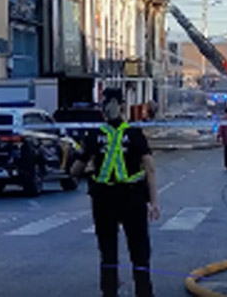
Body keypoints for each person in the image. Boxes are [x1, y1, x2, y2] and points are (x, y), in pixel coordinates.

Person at [71, 89, 159, 297]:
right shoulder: (135, 134)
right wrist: (154, 202)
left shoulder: (94, 135)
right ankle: (144, 292)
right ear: (122, 106)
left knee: (108, 250)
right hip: (132, 197)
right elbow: (150, 169)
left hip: (104, 199)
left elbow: (76, 169)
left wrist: (85, 167)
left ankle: (109, 291)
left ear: (103, 108)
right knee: (139, 250)